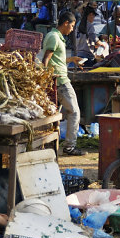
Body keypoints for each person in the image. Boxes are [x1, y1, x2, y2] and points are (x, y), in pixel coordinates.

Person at [42, 11, 81, 156]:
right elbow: (46, 60)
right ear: (65, 23)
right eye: (71, 26)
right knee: (75, 112)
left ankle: (52, 144)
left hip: (57, 80)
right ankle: (70, 146)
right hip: (61, 82)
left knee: (54, 115)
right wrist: (46, 80)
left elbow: (55, 60)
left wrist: (72, 60)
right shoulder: (53, 37)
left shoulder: (56, 37)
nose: (72, 29)